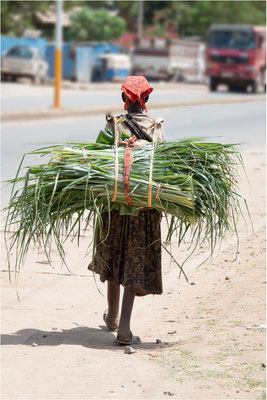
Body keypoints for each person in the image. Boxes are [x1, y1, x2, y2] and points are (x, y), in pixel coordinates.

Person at [89, 76, 165, 345]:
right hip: (143, 209)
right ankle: (123, 327)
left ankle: (111, 315)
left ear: (124, 99)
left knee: (113, 255)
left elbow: (100, 160)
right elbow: (163, 168)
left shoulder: (114, 125)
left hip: (114, 207)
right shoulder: (156, 127)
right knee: (133, 261)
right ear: (146, 100)